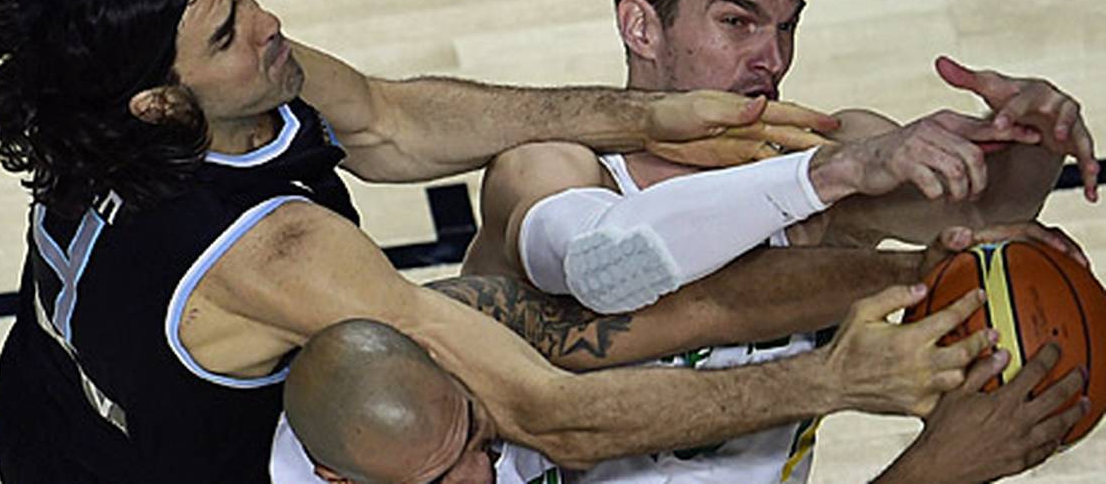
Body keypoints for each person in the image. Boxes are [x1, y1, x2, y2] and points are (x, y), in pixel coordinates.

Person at [0, 0, 981, 483]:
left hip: (53, 398)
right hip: (145, 471)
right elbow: (551, 416)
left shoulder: (105, 101)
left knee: (505, 316)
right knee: (471, 387)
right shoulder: (279, 254)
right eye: (231, 30)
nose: (272, 26)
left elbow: (389, 119)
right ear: (162, 106)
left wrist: (641, 114)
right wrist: (831, 385)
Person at [460, 0, 1097, 481]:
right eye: (736, 21)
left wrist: (1035, 139)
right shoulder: (548, 164)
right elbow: (605, 262)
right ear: (642, 26)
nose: (773, 57)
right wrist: (827, 174)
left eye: (786, 26)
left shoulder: (834, 155)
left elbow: (982, 224)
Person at [271, 316, 1089, 483]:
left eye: (479, 442)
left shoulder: (401, 392)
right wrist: (936, 469)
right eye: (439, 480)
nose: (479, 481)